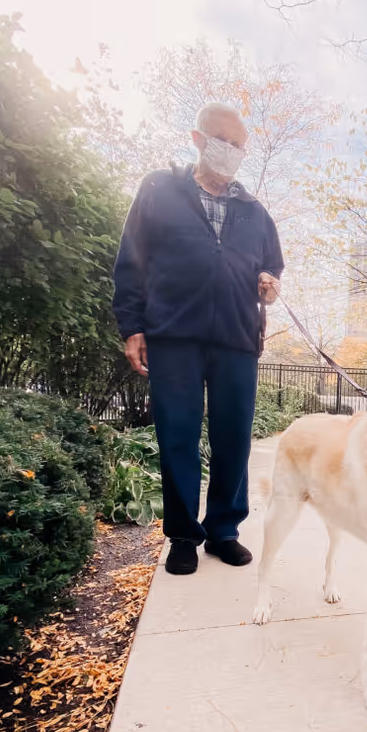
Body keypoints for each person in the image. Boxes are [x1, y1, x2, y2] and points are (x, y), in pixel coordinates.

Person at [112, 102, 284, 575]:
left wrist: (269, 283)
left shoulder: (255, 211)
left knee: (234, 440)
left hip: (236, 340)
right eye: (223, 140)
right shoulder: (158, 190)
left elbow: (272, 266)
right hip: (173, 336)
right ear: (197, 137)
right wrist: (133, 326)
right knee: (178, 438)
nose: (231, 152)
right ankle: (184, 535)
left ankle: (224, 531)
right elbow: (131, 263)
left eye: (239, 146)